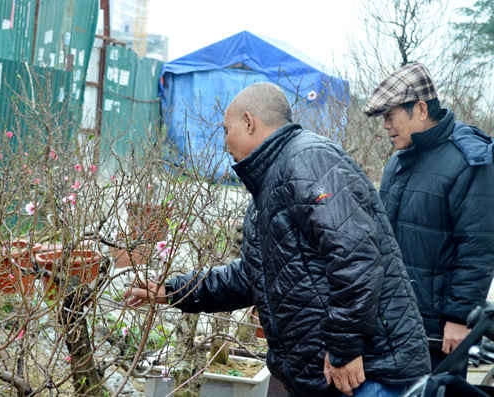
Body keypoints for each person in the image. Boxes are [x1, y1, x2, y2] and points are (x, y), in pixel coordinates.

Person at [126, 82, 430, 397]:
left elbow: (357, 260)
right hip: (331, 377)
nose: (224, 141)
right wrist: (174, 291)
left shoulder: (308, 161)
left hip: (366, 374)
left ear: (249, 121)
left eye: (226, 129)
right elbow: (251, 275)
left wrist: (344, 348)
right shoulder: (271, 180)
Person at [364, 62, 494, 374]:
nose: (385, 126)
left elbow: (479, 246)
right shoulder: (398, 161)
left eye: (390, 116)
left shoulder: (469, 159)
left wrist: (459, 317)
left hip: (438, 333)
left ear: (420, 109)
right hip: (394, 325)